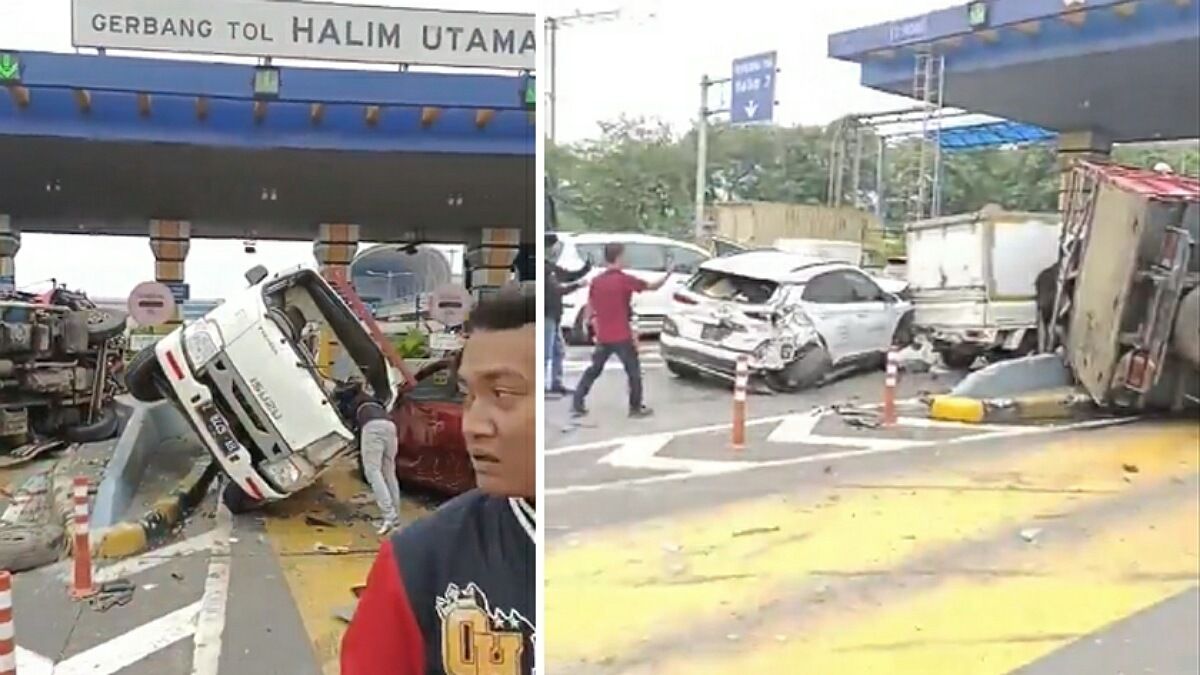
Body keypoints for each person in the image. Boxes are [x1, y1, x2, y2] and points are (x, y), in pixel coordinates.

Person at [341, 284, 536, 675]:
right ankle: (389, 511)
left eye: (502, 393)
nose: (472, 425)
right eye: (466, 396)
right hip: (387, 436)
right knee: (384, 476)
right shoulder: (418, 564)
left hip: (377, 436)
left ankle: (387, 511)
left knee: (377, 474)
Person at [571, 242, 670, 419]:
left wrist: (587, 324)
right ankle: (635, 407)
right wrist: (668, 275)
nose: (627, 259)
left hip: (604, 335)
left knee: (594, 369)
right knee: (633, 372)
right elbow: (653, 286)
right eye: (624, 256)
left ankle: (577, 401)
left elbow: (590, 305)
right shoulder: (624, 280)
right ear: (619, 257)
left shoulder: (597, 281)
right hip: (622, 334)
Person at [544, 233, 591, 396]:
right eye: (555, 247)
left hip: (554, 316)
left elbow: (568, 275)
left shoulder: (550, 267)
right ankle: (542, 387)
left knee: (558, 351)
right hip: (546, 315)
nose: (557, 251)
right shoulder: (543, 269)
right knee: (546, 352)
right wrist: (578, 285)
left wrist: (586, 268)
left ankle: (556, 383)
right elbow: (557, 290)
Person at [357, 398, 402, 536]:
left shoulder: (349, 404)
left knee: (373, 472)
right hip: (390, 426)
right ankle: (395, 518)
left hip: (372, 427)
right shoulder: (375, 401)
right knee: (389, 472)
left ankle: (389, 516)